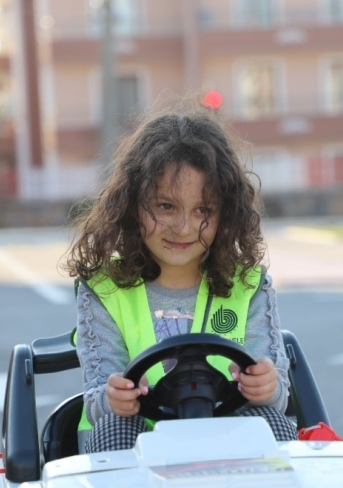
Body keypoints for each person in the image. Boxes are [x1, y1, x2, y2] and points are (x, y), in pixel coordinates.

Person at [64, 95, 297, 453]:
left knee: (273, 424)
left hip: (230, 441)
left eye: (203, 209)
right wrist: (116, 397)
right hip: (139, 440)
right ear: (131, 204)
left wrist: (267, 386)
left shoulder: (248, 288)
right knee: (115, 426)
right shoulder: (103, 290)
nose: (183, 227)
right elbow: (98, 396)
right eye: (165, 206)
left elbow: (277, 397)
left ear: (226, 214)